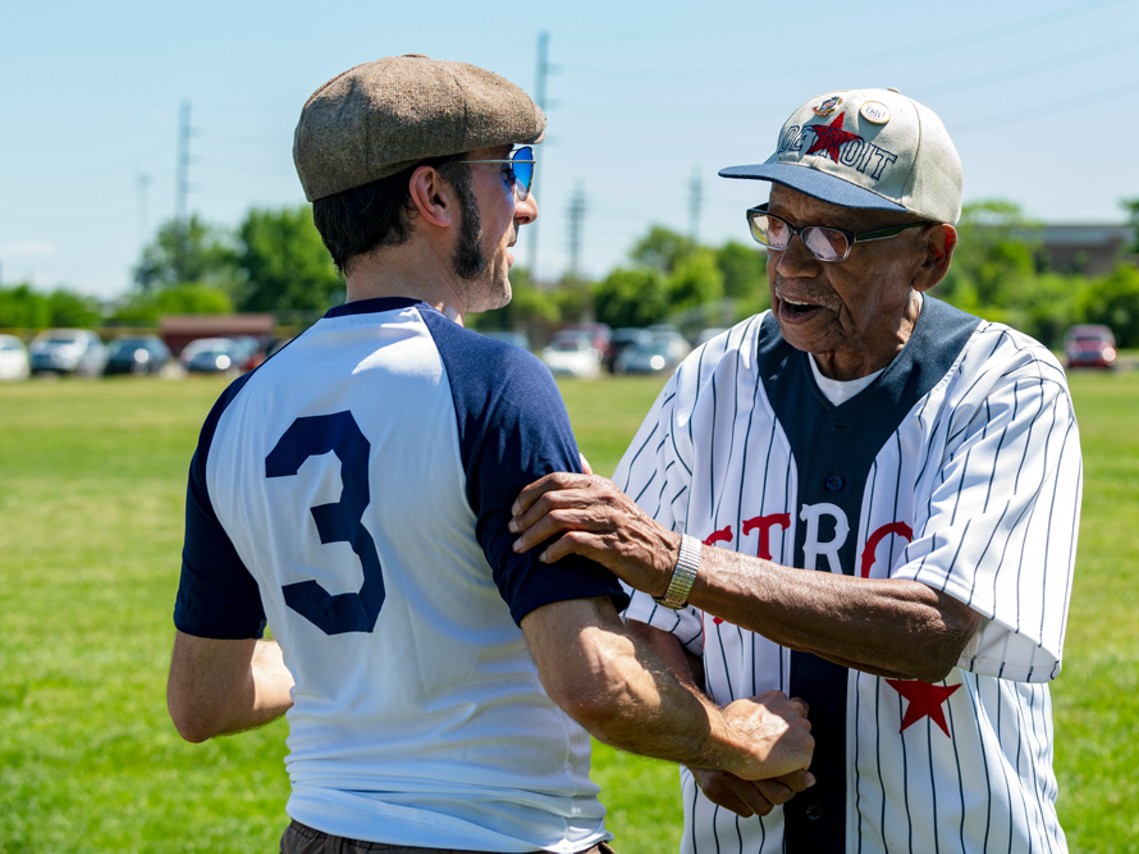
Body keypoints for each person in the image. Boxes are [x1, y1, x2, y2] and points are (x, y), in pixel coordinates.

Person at [165, 54, 814, 854]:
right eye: (513, 172)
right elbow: (594, 684)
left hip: (319, 832)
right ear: (433, 195)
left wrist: (373, 662)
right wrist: (738, 737)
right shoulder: (492, 382)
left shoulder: (239, 409)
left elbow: (204, 700)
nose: (530, 205)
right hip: (503, 836)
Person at [510, 87, 1083, 853]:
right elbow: (638, 619)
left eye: (831, 237)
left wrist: (677, 564)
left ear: (931, 255)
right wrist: (707, 738)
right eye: (776, 224)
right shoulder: (713, 375)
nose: (788, 261)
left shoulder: (1007, 385)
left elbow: (935, 628)